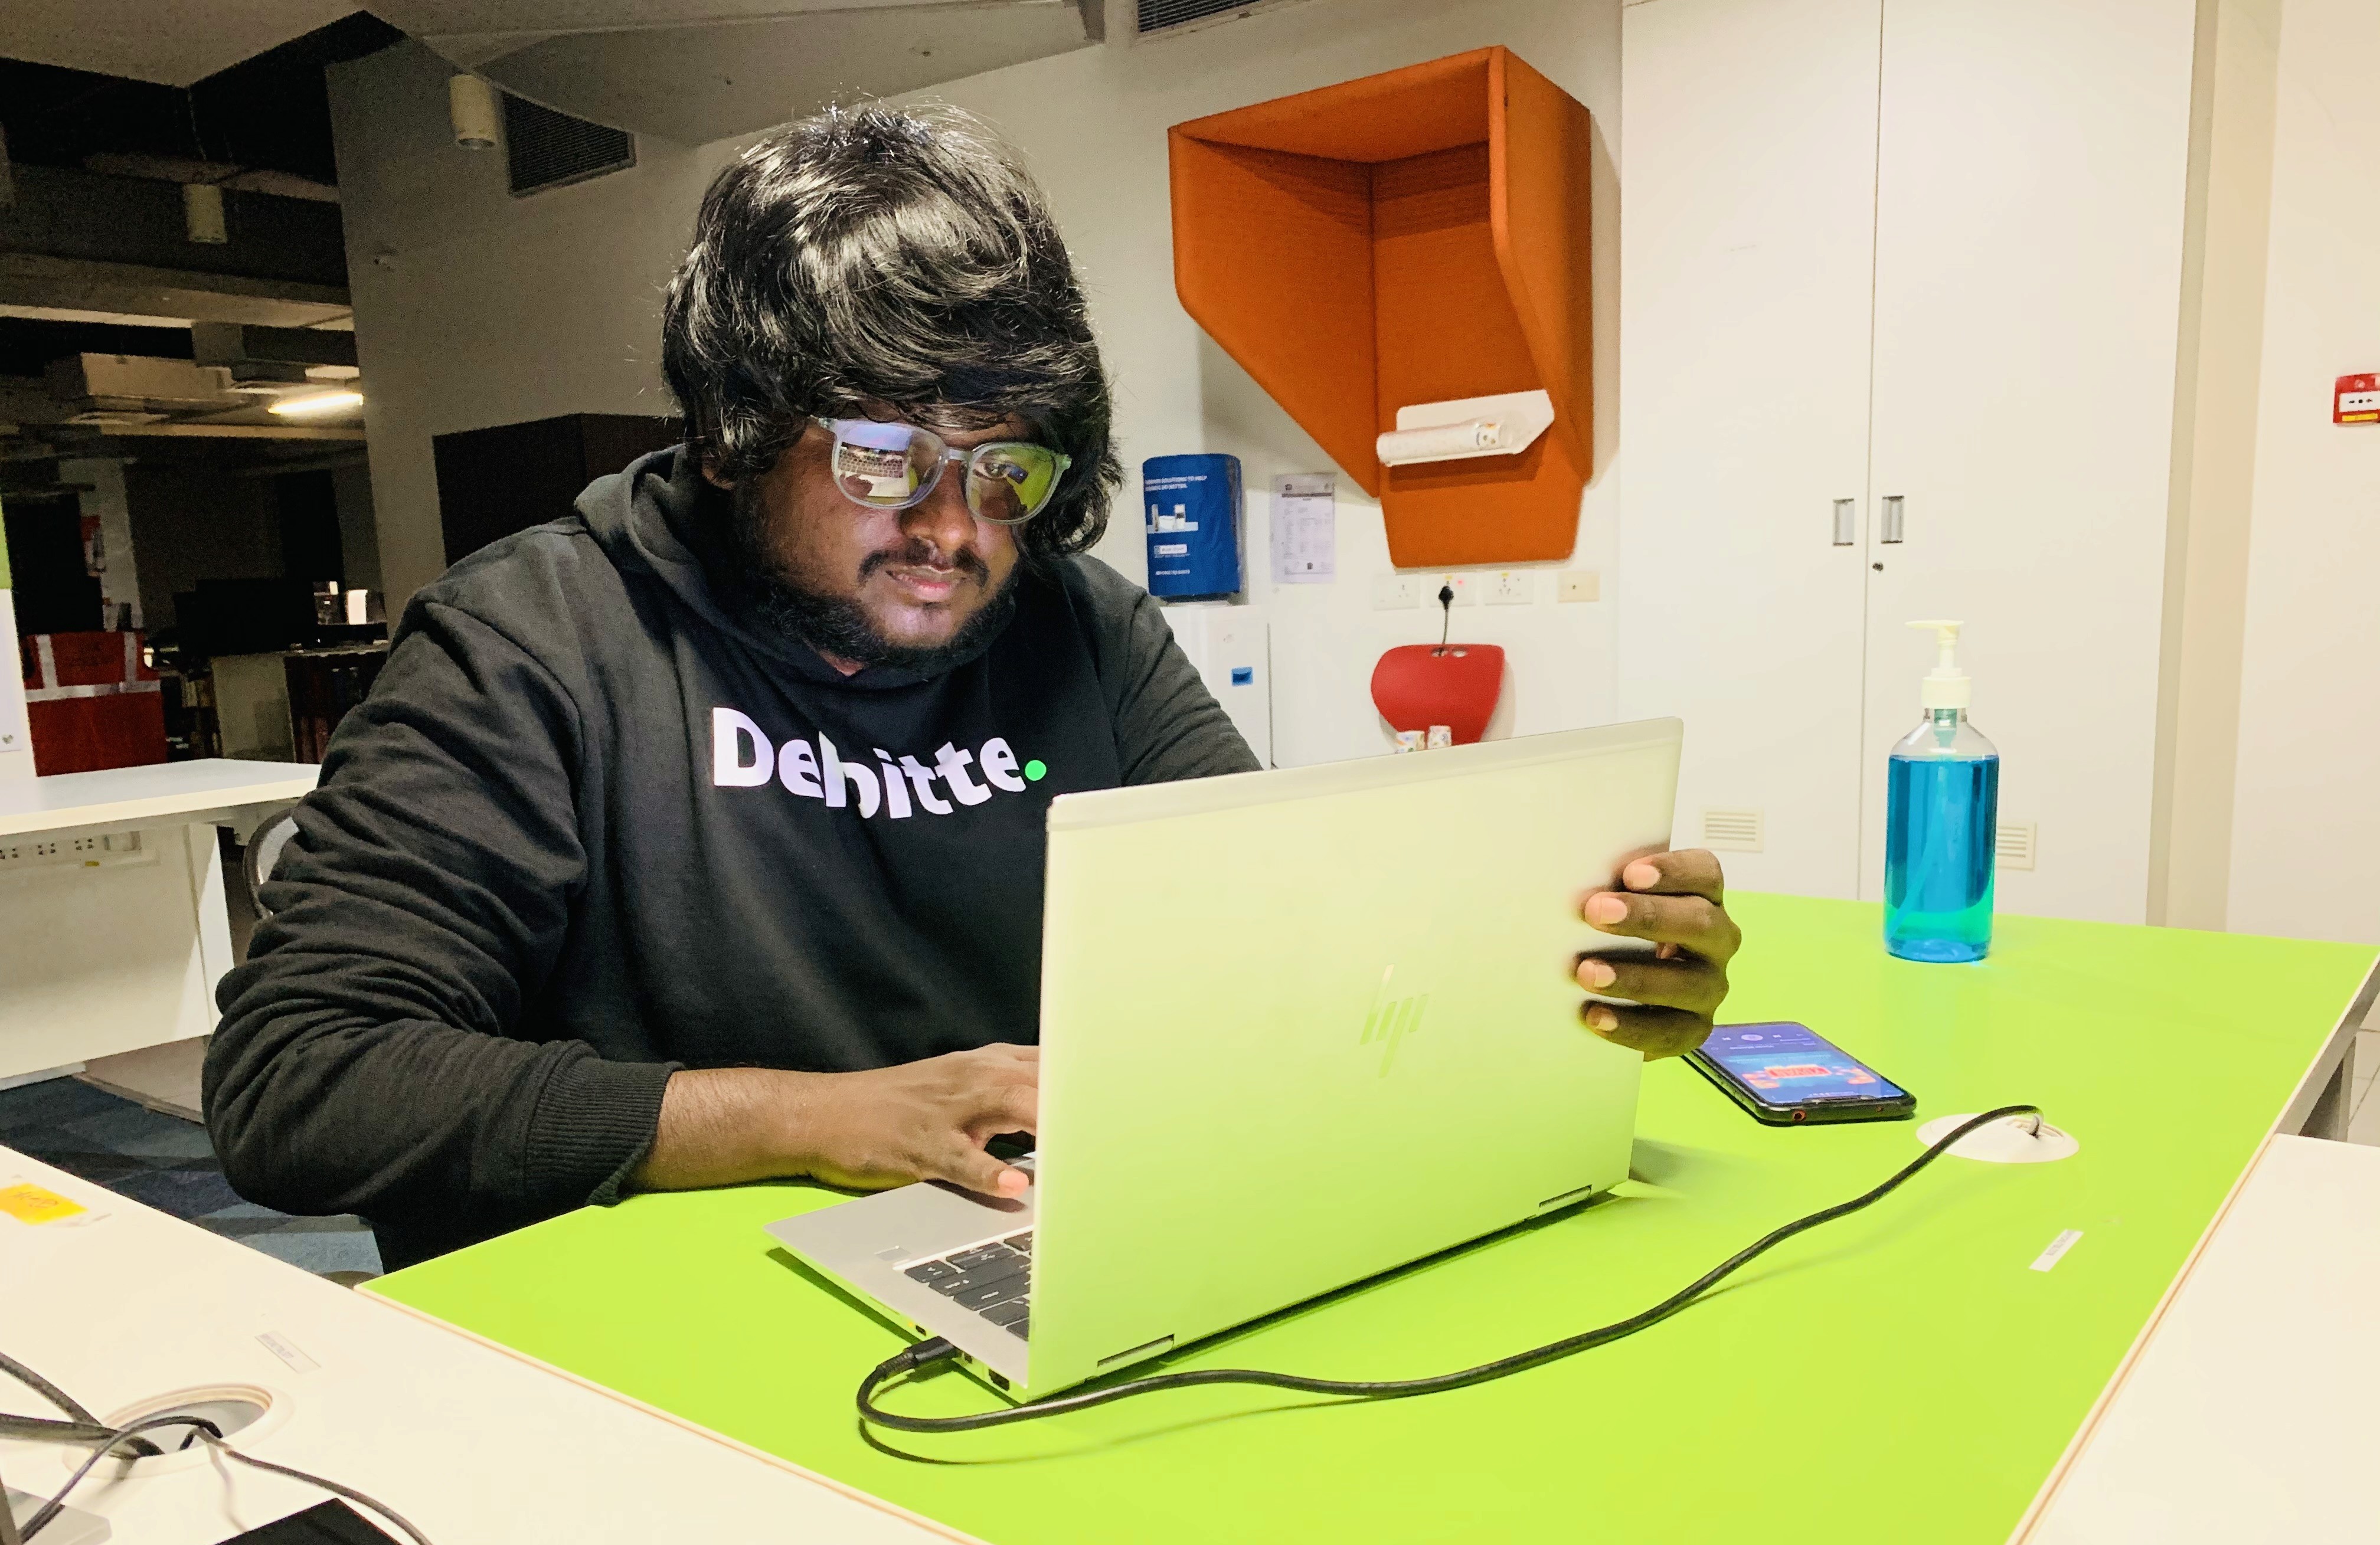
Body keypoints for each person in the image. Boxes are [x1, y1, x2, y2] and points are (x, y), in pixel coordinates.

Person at [202, 103, 1740, 1271]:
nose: (953, 525)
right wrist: (816, 1115)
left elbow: (1286, 956)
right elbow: (304, 1080)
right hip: (631, 1331)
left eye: (1006, 463)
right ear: (741, 426)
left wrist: (1574, 986)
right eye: (883, 454)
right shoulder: (536, 643)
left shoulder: (1085, 632)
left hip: (1010, 1259)